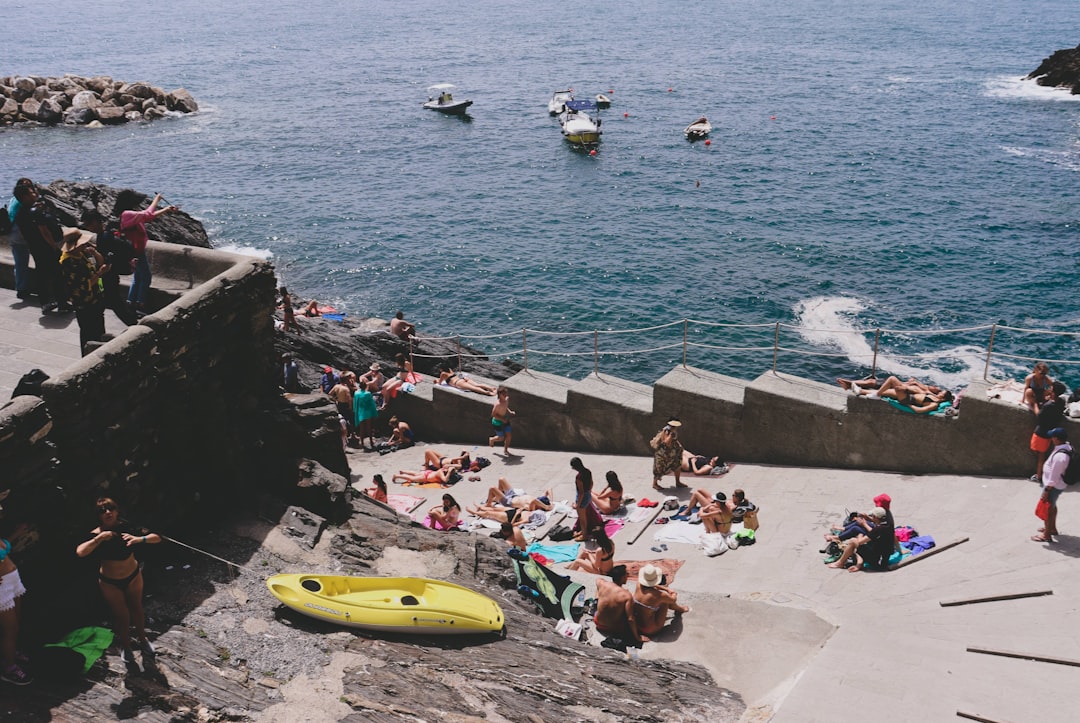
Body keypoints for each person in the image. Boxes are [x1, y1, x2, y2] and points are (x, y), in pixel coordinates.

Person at [75, 497, 160, 664]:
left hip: (133, 575)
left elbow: (157, 537)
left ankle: (143, 639)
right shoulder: (96, 534)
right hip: (110, 582)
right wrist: (99, 539)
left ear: (117, 510)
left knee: (137, 608)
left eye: (110, 508)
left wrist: (139, 539)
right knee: (122, 615)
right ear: (98, 516)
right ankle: (126, 646)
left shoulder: (127, 526)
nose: (107, 512)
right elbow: (80, 552)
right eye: (102, 511)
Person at [113, 190, 178, 312]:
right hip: (135, 250)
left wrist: (166, 209)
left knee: (138, 277)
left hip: (135, 249)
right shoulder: (128, 214)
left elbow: (148, 216)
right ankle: (140, 305)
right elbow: (148, 214)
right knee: (146, 277)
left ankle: (131, 303)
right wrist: (157, 200)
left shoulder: (130, 215)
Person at [12, 180, 69, 315]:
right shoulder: (34, 211)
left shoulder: (20, 214)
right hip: (46, 248)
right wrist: (54, 246)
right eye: (32, 192)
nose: (35, 193)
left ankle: (45, 303)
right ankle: (62, 303)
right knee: (57, 275)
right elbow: (44, 231)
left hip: (35, 248)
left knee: (42, 275)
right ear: (25, 197)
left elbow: (24, 233)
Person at [81, 208, 138, 325]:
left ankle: (132, 323)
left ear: (95, 222)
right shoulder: (105, 234)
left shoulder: (104, 237)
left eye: (88, 224)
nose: (87, 227)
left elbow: (105, 258)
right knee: (105, 299)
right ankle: (129, 320)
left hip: (107, 277)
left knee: (114, 302)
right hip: (106, 277)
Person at [59, 227, 111, 355]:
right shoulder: (69, 262)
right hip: (84, 301)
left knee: (99, 330)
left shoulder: (82, 254)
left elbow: (100, 262)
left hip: (96, 298)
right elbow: (83, 284)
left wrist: (95, 253)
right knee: (88, 331)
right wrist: (100, 274)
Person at [0, 491, 32, 686]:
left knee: (16, 625)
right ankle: (9, 668)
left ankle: (10, 653)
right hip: (2, 588)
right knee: (10, 629)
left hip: (12, 580)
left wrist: (15, 535)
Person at [632, 564, 690, 640]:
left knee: (660, 600)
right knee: (665, 602)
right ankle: (680, 610)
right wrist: (673, 593)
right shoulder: (659, 595)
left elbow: (653, 585)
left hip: (638, 626)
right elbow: (673, 600)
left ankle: (679, 609)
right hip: (650, 630)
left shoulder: (638, 585)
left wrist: (666, 589)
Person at [826, 507, 894, 571]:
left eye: (872, 516)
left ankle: (840, 563)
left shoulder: (878, 529)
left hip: (878, 562)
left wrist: (861, 532)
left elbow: (860, 542)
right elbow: (874, 532)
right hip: (884, 555)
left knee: (853, 541)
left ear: (875, 517)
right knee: (858, 530)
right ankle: (859, 563)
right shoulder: (888, 524)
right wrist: (867, 518)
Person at [1033, 427, 1070, 543]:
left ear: (1057, 439)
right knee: (1052, 506)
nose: (1051, 439)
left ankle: (1046, 534)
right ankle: (1052, 528)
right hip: (1056, 485)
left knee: (1048, 508)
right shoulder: (1066, 447)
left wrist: (1046, 490)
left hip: (1053, 486)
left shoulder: (1060, 457)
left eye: (1053, 437)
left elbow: (1054, 476)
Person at [593, 566, 643, 647]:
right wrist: (638, 637)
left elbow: (598, 579)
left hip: (597, 622)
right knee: (631, 610)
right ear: (622, 577)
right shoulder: (626, 596)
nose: (628, 576)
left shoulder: (603, 584)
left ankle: (596, 601)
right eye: (626, 574)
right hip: (613, 628)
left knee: (600, 590)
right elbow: (630, 619)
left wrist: (598, 597)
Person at [1030, 382, 1067, 483]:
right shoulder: (1061, 402)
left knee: (1040, 455)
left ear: (1053, 392)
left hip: (1041, 433)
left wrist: (1034, 404)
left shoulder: (1048, 406)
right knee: (1043, 454)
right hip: (1050, 433)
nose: (1049, 388)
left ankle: (1039, 476)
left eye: (1051, 388)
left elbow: (1039, 415)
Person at [7, 179, 33, 301]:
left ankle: (20, 287)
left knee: (19, 262)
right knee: (22, 262)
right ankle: (22, 289)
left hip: (11, 232)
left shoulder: (13, 199)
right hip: (19, 234)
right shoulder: (22, 203)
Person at [571, 457, 604, 541]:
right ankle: (583, 531)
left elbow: (581, 492)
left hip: (582, 497)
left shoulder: (579, 477)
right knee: (585, 515)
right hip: (588, 494)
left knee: (582, 519)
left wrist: (578, 504)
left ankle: (584, 535)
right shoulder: (588, 471)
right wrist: (589, 490)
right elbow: (591, 483)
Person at [650, 420, 684, 490]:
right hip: (662, 454)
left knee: (677, 465)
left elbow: (675, 440)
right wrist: (671, 434)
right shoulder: (667, 431)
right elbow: (666, 442)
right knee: (659, 468)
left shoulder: (673, 431)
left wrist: (679, 445)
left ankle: (678, 482)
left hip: (671, 454)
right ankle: (654, 484)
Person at [488, 387, 516, 454]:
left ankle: (505, 450)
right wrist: (502, 419)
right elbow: (493, 414)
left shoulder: (507, 399)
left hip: (505, 419)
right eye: (504, 394)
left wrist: (510, 411)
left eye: (506, 393)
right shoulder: (497, 404)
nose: (505, 395)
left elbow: (505, 407)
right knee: (501, 438)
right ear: (500, 394)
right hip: (497, 422)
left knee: (509, 435)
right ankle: (492, 439)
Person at [328, 374, 355, 440]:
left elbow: (329, 394)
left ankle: (344, 434)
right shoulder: (346, 389)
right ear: (346, 380)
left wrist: (335, 399)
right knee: (350, 420)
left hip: (339, 404)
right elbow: (349, 399)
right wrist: (351, 407)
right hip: (346, 405)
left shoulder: (336, 386)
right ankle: (352, 434)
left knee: (341, 419)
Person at [352, 382, 378, 450]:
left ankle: (362, 442)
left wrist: (355, 411)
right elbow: (371, 403)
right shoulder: (368, 393)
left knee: (362, 428)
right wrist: (374, 412)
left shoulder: (356, 393)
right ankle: (371, 441)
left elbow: (355, 403)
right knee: (369, 427)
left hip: (360, 412)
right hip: (367, 411)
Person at [393, 464, 459, 486]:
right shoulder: (441, 472)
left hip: (427, 473)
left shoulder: (442, 469)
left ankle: (403, 471)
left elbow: (457, 467)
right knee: (412, 478)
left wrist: (451, 469)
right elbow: (445, 480)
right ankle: (397, 476)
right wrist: (449, 472)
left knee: (415, 473)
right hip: (426, 477)